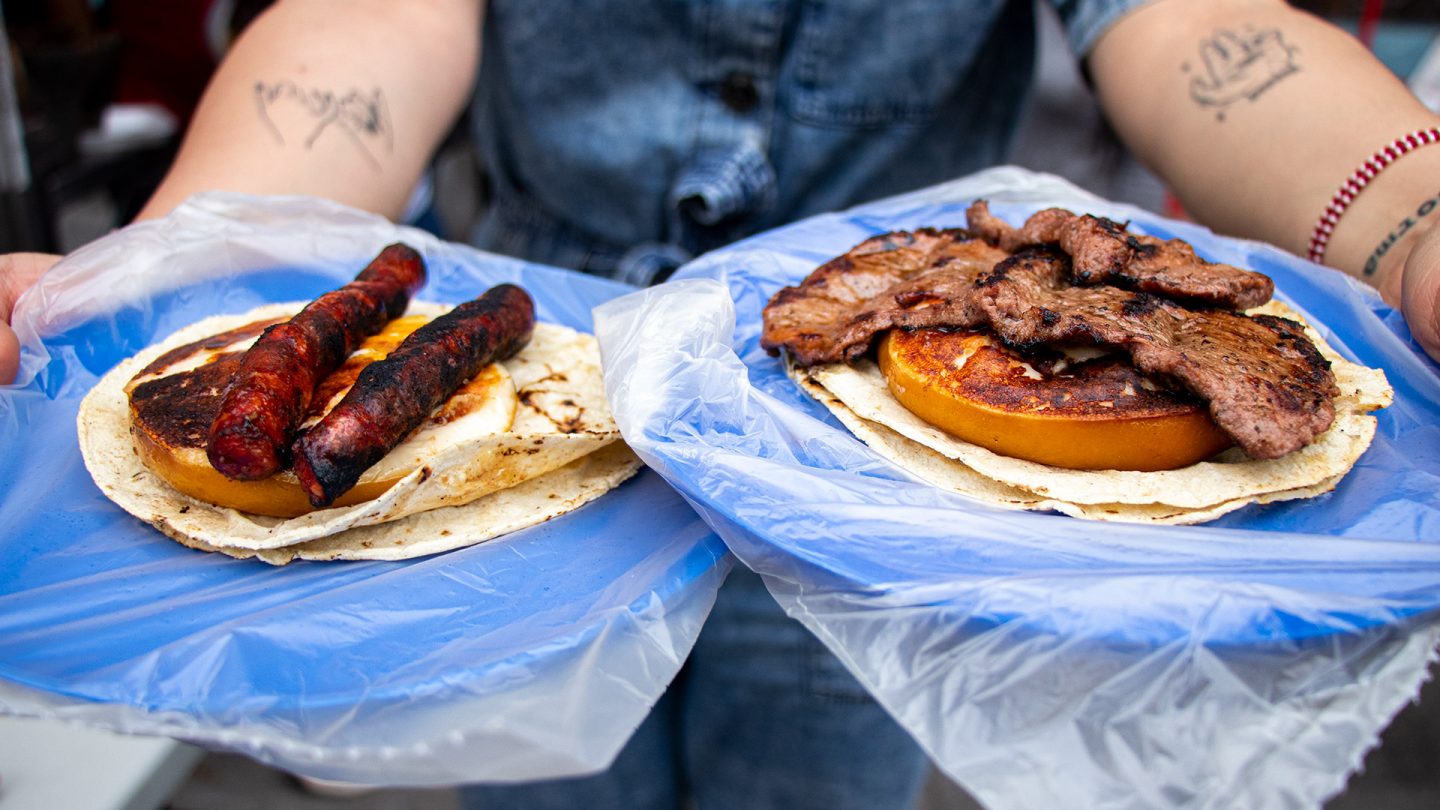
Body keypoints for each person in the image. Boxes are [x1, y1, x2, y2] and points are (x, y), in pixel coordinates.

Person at [2, 0, 1437, 806]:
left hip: (867, 482)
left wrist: (1422, 227)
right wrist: (170, 275)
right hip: (520, 456)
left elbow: (1202, 32)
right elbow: (362, 31)